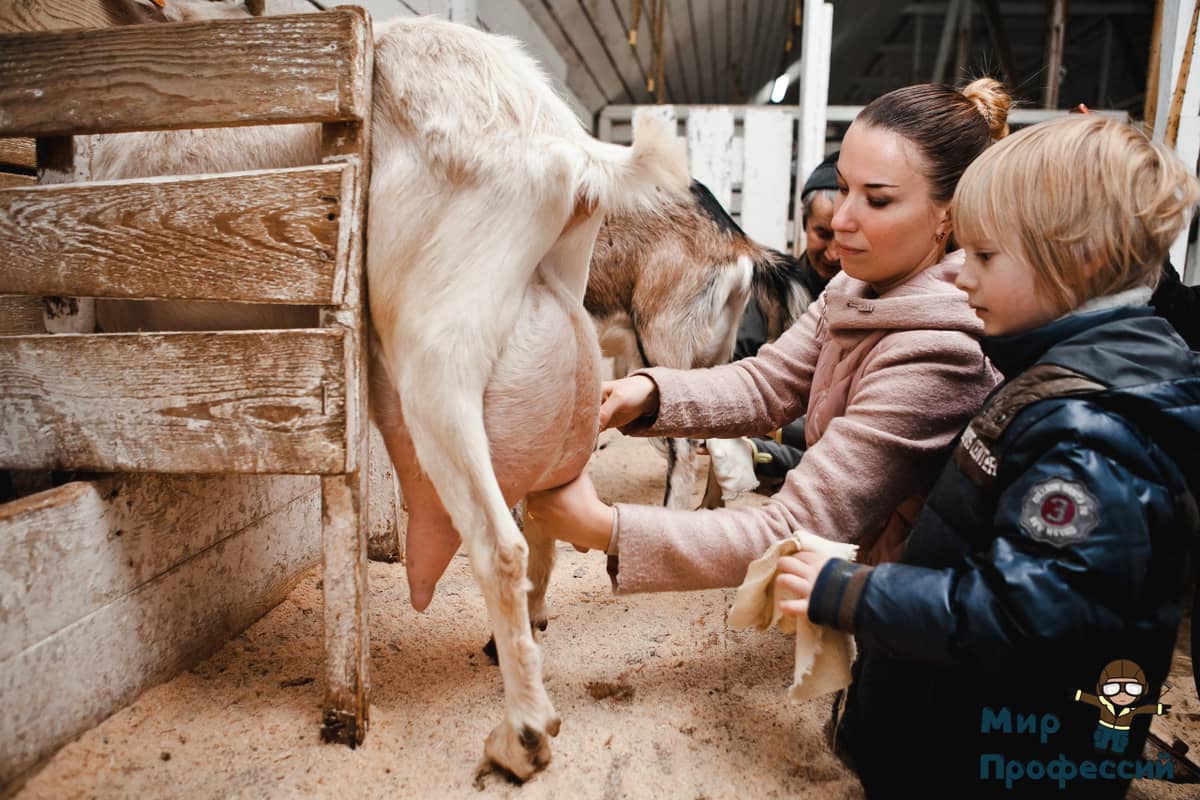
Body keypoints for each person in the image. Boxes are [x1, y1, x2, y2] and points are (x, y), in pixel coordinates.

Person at [777, 114, 1200, 797]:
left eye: (984, 256)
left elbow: (1021, 614)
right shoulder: (1057, 380)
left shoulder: (1090, 433)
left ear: (1081, 255)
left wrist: (852, 594)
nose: (958, 274)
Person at [526, 78, 1011, 581]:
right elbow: (770, 382)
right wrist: (645, 393)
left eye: (878, 200)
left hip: (895, 607)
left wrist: (601, 526)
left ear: (947, 215)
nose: (841, 219)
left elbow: (796, 526)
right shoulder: (857, 287)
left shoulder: (940, 353)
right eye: (844, 188)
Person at [733, 150, 843, 489]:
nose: (833, 253)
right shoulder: (775, 291)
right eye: (822, 233)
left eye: (842, 236)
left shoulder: (873, 297)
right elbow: (739, 369)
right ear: (804, 224)